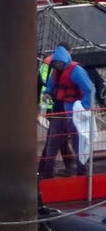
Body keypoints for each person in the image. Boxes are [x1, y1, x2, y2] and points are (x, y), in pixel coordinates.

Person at [42, 45, 94, 177]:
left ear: (64, 60)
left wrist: (84, 107)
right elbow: (50, 86)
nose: (57, 65)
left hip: (74, 114)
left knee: (78, 144)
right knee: (52, 145)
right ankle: (47, 174)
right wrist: (47, 93)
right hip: (58, 114)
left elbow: (89, 89)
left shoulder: (77, 71)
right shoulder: (55, 72)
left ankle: (82, 173)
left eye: (59, 62)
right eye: (55, 63)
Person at [37, 43, 75, 178]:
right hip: (57, 107)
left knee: (59, 137)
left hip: (50, 107)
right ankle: (45, 168)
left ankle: (67, 163)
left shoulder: (45, 64)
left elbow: (39, 85)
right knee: (53, 139)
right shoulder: (63, 67)